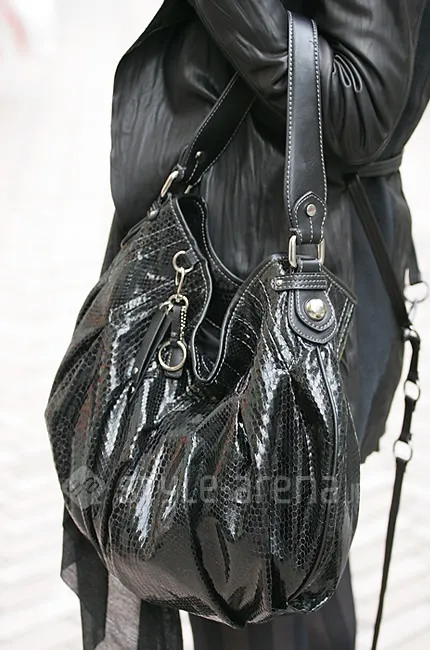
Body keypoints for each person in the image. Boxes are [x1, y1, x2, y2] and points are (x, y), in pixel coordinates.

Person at [61, 1, 430, 648]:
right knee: (254, 578)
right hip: (220, 282)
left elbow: (359, 106)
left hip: (278, 307)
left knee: (266, 582)